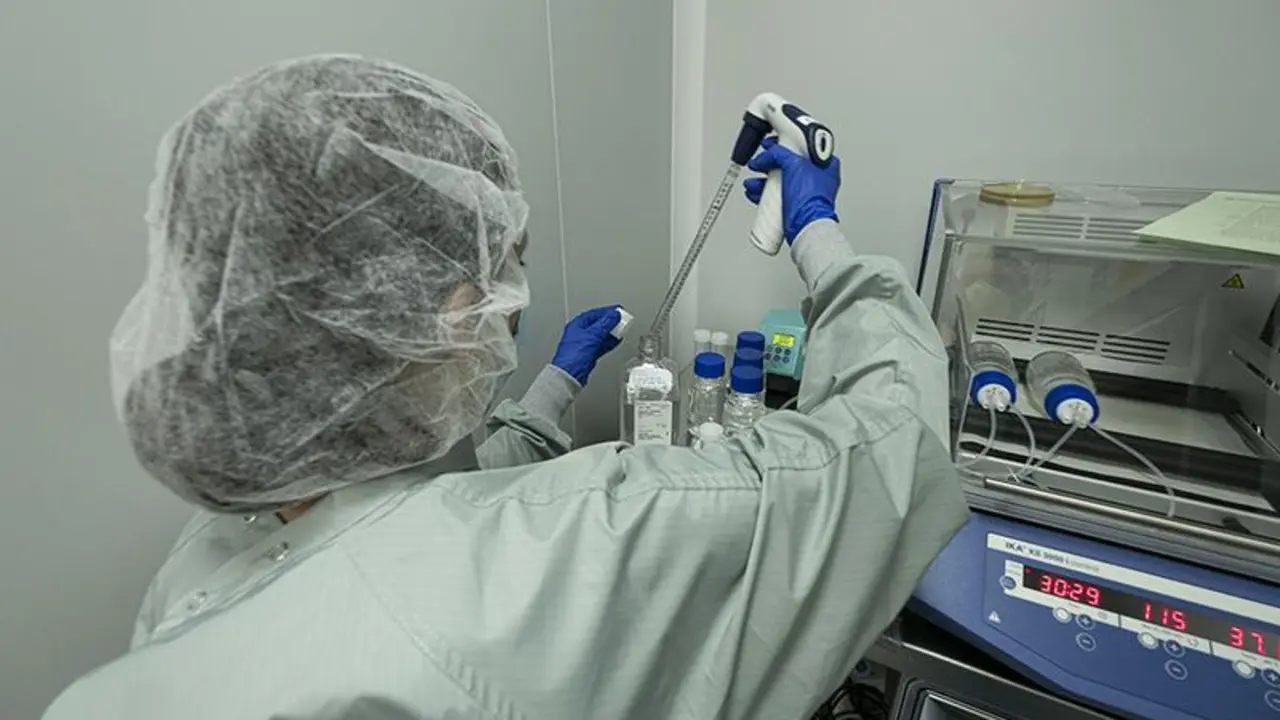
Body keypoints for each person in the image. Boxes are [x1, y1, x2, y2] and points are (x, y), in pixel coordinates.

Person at [45, 55, 968, 719]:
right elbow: (889, 443)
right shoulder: (590, 538)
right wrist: (820, 232)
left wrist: (555, 389)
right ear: (450, 316)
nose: (513, 304)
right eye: (507, 272)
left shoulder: (196, 575)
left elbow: (420, 522)